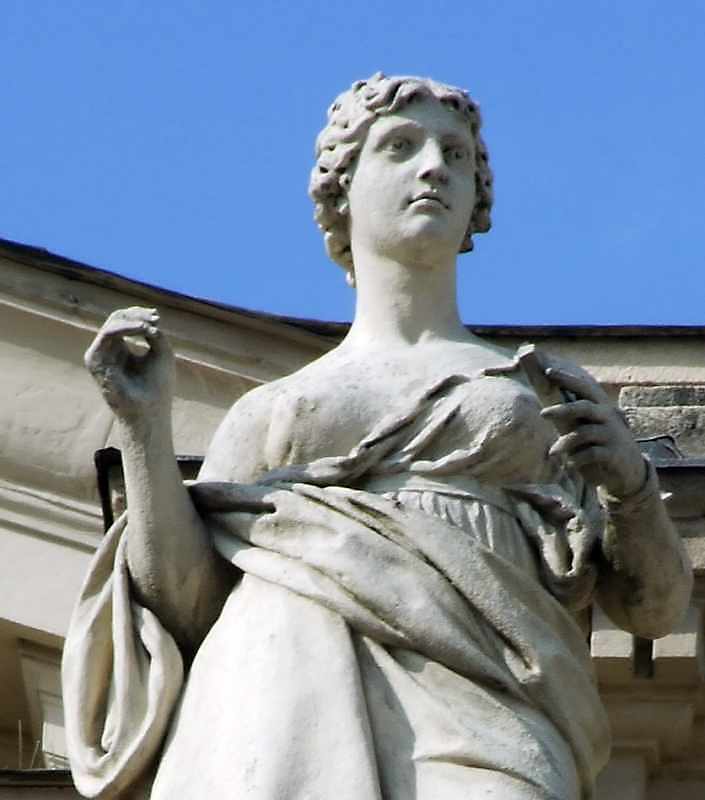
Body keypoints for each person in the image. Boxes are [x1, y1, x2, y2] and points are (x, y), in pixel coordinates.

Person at [63, 73, 691, 800]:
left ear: (477, 200)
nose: (434, 167)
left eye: (456, 154)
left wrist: (630, 489)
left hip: (495, 705)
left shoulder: (540, 395)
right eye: (401, 146)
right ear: (342, 188)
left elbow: (653, 608)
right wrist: (143, 428)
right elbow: (185, 604)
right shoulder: (273, 411)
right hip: (277, 698)